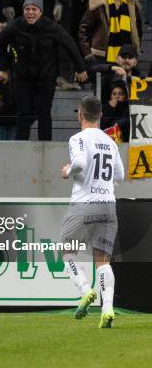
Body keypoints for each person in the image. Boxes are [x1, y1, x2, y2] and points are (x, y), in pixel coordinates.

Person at [60, 95, 124, 329]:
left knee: (67, 251)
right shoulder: (110, 142)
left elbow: (79, 163)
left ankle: (86, 291)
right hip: (108, 204)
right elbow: (120, 176)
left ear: (80, 114)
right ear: (100, 115)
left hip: (84, 204)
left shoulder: (77, 138)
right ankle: (107, 310)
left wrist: (68, 171)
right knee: (103, 261)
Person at [0, 0, 88, 141]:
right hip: (22, 77)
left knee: (44, 113)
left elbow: (69, 44)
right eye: (27, 9)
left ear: (41, 11)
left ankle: (45, 147)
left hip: (46, 77)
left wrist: (80, 68)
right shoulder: (15, 26)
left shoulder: (51, 26)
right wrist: (4, 68)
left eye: (34, 9)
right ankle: (21, 148)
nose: (30, 13)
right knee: (23, 114)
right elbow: (0, 43)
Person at [78, 0, 142, 65]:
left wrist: (135, 52)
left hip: (126, 57)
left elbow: (138, 32)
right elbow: (83, 30)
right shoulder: (99, 2)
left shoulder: (131, 4)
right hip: (101, 56)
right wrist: (88, 54)